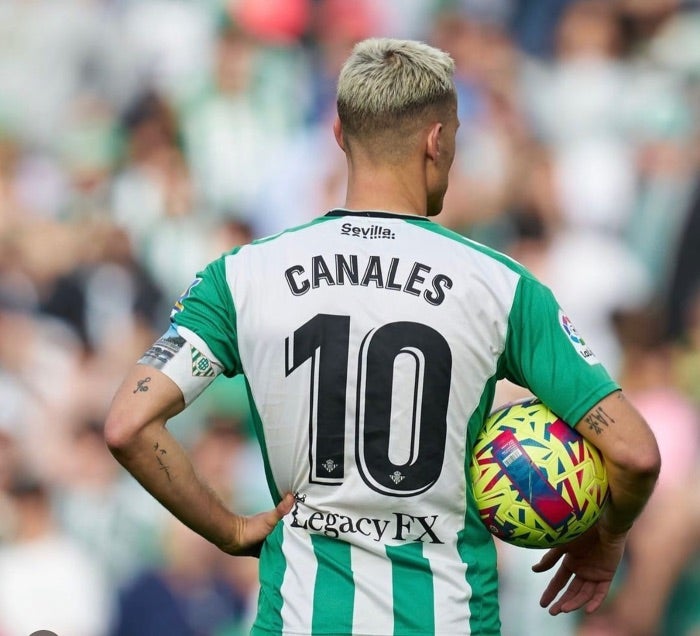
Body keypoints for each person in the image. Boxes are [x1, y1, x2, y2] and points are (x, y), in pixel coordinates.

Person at [104, 37, 661, 635]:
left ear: (341, 136)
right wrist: (606, 539)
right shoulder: (502, 289)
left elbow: (128, 425)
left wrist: (229, 528)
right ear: (438, 141)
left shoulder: (239, 277)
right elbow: (635, 455)